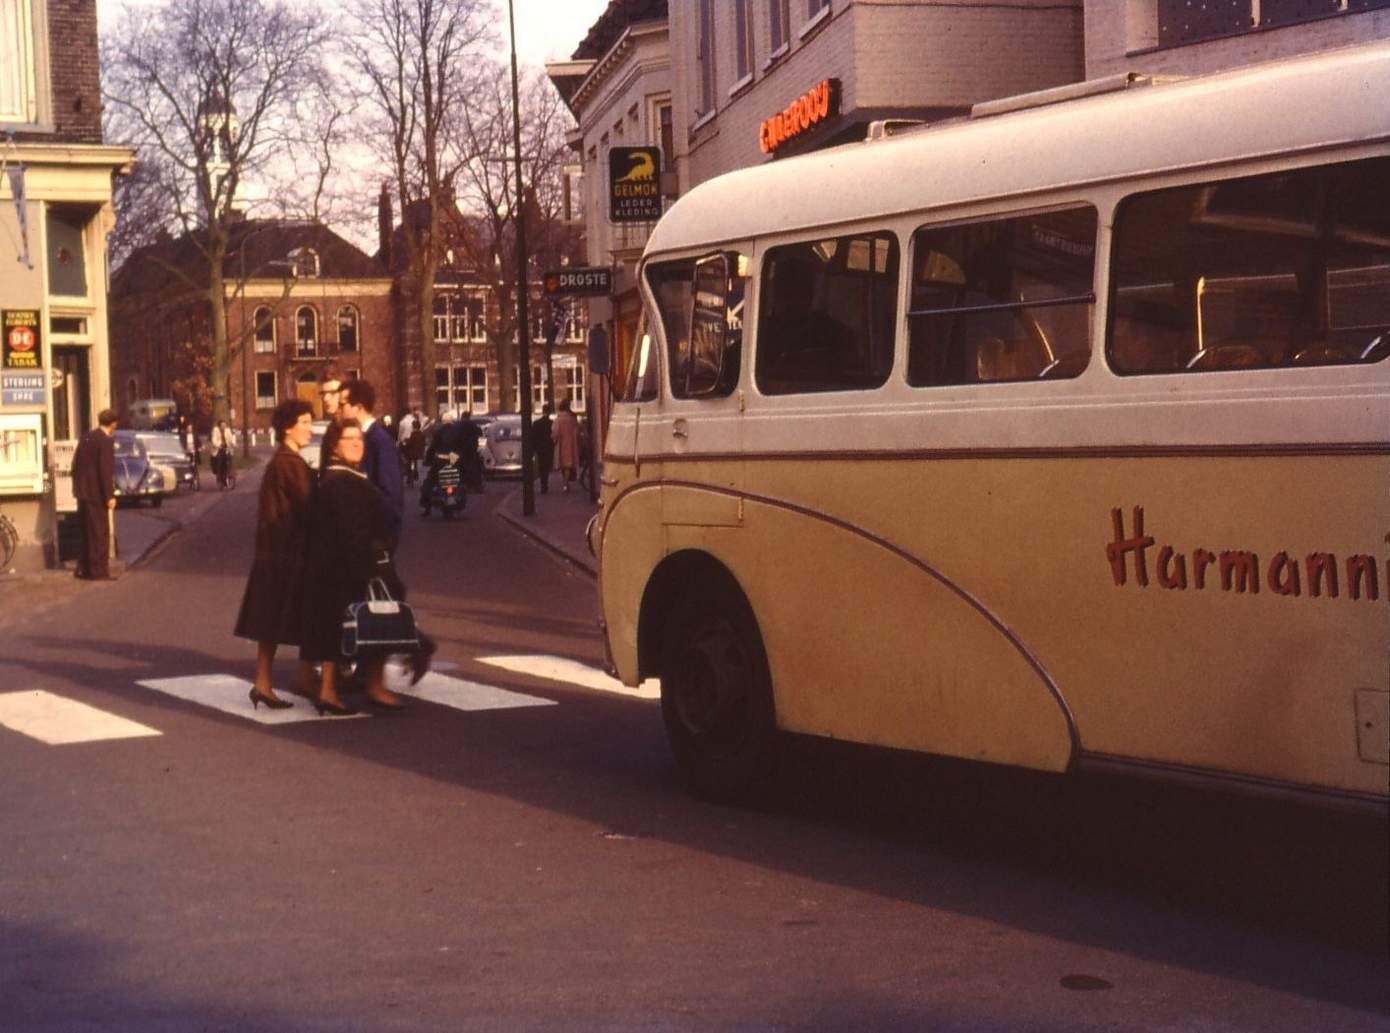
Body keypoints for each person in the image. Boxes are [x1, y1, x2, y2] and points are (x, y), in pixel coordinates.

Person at [300, 420, 422, 714]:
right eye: (349, 439)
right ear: (334, 445)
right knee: (378, 616)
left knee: (335, 625)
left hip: (334, 566)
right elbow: (353, 530)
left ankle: (332, 689)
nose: (357, 443)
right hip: (351, 565)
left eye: (359, 438)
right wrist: (372, 566)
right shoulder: (344, 482)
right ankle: (370, 686)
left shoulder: (340, 477)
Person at [232, 399, 318, 710]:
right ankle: (302, 677)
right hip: (287, 554)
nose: (310, 429)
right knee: (303, 617)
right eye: (305, 423)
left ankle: (264, 683)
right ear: (287, 428)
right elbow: (309, 508)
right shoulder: (291, 464)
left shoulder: (282, 461)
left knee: (270, 622)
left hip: (274, 553)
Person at [340, 378, 404, 550]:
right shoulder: (361, 439)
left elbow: (390, 500)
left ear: (358, 407)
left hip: (372, 543)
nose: (339, 411)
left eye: (342, 405)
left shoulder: (380, 442)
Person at [71, 409, 118, 580]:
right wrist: (109, 496)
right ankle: (99, 571)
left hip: (82, 493)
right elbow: (105, 470)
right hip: (96, 494)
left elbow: (75, 466)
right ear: (113, 423)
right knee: (100, 533)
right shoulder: (105, 441)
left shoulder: (86, 437)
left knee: (86, 532)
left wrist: (77, 487)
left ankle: (84, 569)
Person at [553, 398, 581, 492]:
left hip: (561, 444)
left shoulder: (558, 419)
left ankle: (565, 483)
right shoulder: (572, 418)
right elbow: (577, 431)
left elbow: (555, 432)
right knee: (568, 464)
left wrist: (554, 439)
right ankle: (566, 483)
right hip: (571, 443)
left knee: (562, 464)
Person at [316, 376, 343, 470]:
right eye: (323, 394)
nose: (325, 398)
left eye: (332, 393)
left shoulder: (357, 429)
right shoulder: (331, 429)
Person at [531, 403, 554, 494]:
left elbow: (533, 436)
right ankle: (545, 483)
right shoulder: (551, 423)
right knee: (546, 466)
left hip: (539, 448)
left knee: (541, 466)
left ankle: (542, 484)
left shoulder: (536, 423)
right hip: (548, 447)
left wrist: (533, 449)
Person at [210, 419, 235, 489]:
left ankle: (229, 473)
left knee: (229, 460)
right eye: (222, 425)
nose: (224, 427)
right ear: (219, 426)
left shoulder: (228, 430)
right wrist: (219, 444)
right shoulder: (215, 430)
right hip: (219, 449)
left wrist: (233, 443)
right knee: (220, 461)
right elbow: (214, 440)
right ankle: (219, 477)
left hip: (226, 448)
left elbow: (231, 439)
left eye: (225, 425)